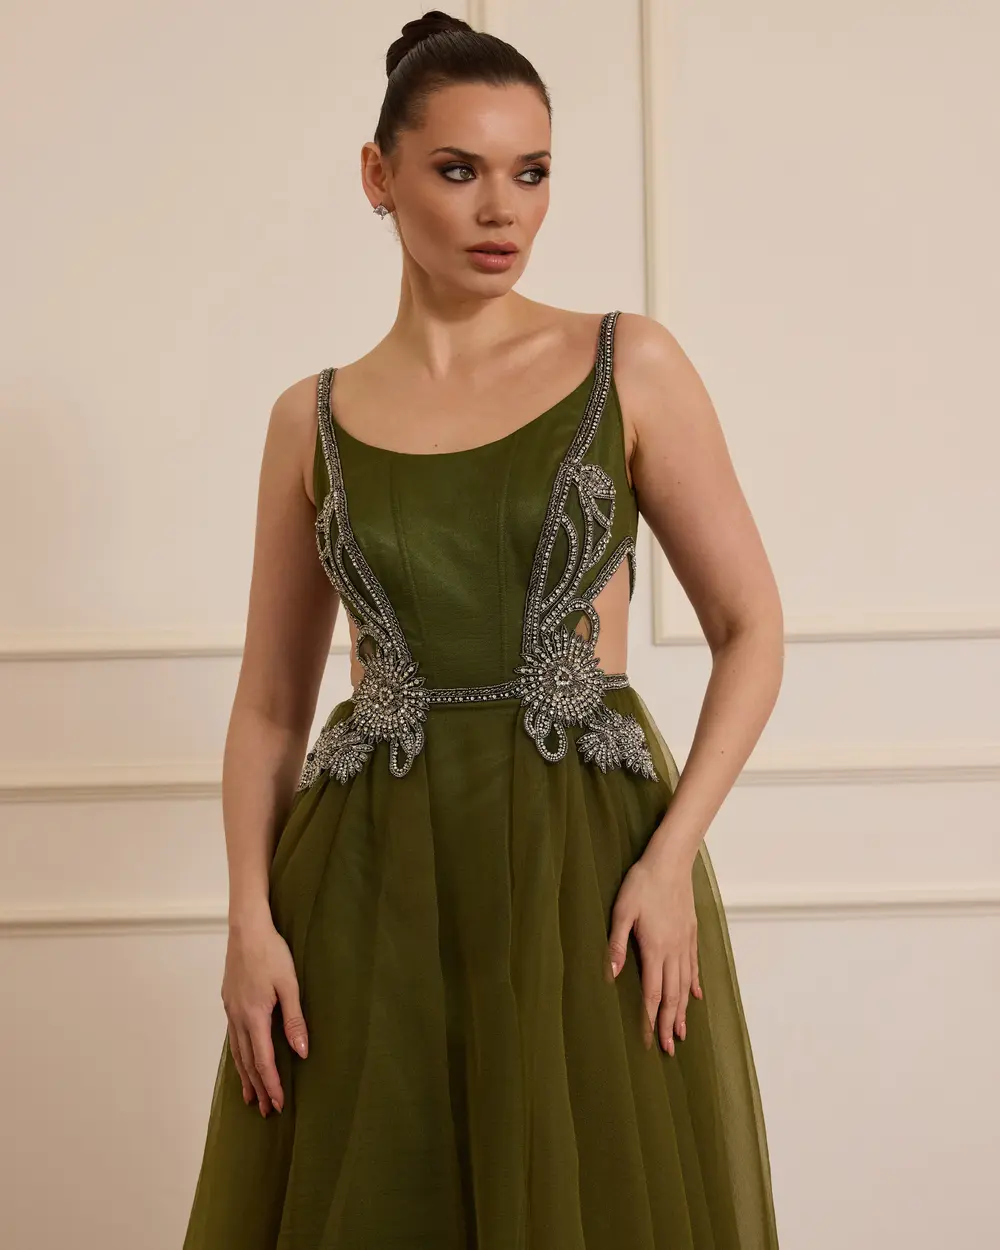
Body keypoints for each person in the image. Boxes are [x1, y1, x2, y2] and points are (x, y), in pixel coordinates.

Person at [182, 10, 784, 1248]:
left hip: (586, 870)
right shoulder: (310, 418)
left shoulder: (626, 363)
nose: (502, 208)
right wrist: (248, 918)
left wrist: (669, 859)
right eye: (458, 170)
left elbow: (750, 623)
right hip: (366, 878)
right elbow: (271, 706)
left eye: (532, 171)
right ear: (378, 175)